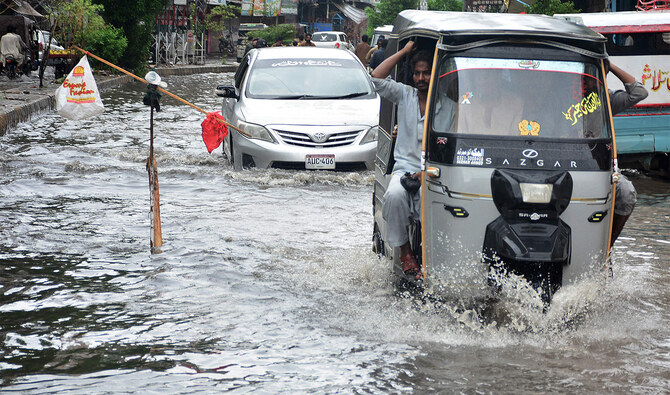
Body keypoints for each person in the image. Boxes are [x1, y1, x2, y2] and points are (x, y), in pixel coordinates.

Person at [370, 41, 456, 279]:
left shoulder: (449, 107)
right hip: (404, 170)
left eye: (426, 72)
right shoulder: (404, 95)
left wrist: (426, 172)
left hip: (435, 173)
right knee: (395, 195)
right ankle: (406, 253)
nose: (421, 78)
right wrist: (404, 52)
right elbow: (376, 79)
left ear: (434, 74)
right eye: (417, 73)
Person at [603, 59, 648, 247]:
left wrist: (609, 65)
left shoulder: (606, 99)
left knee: (627, 193)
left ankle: (607, 247)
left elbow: (640, 92)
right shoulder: (560, 97)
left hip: (598, 164)